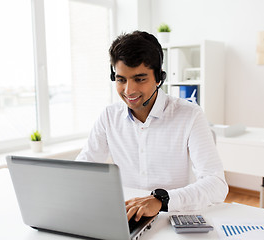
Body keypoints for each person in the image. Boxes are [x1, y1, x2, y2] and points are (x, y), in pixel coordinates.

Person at [76, 30, 228, 222]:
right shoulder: (109, 116)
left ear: (158, 78)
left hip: (171, 217)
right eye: (121, 79)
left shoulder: (190, 115)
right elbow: (82, 168)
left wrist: (161, 200)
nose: (129, 90)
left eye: (139, 79)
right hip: (126, 217)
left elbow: (216, 184)